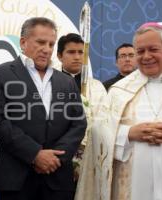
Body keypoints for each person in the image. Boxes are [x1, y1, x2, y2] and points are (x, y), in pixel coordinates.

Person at [0, 17, 87, 200]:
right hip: (16, 179)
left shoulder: (67, 81)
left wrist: (55, 159)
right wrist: (35, 154)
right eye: (41, 42)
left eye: (51, 44)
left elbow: (78, 124)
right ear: (23, 42)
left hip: (58, 179)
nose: (47, 49)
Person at [108, 22, 162, 200]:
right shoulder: (118, 91)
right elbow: (100, 138)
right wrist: (129, 134)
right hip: (130, 187)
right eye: (140, 51)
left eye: (153, 49)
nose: (146, 56)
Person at [56, 33, 107, 181]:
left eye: (81, 52)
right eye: (71, 52)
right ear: (60, 56)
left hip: (91, 158)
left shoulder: (97, 87)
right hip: (57, 159)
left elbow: (104, 122)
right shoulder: (49, 84)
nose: (77, 57)